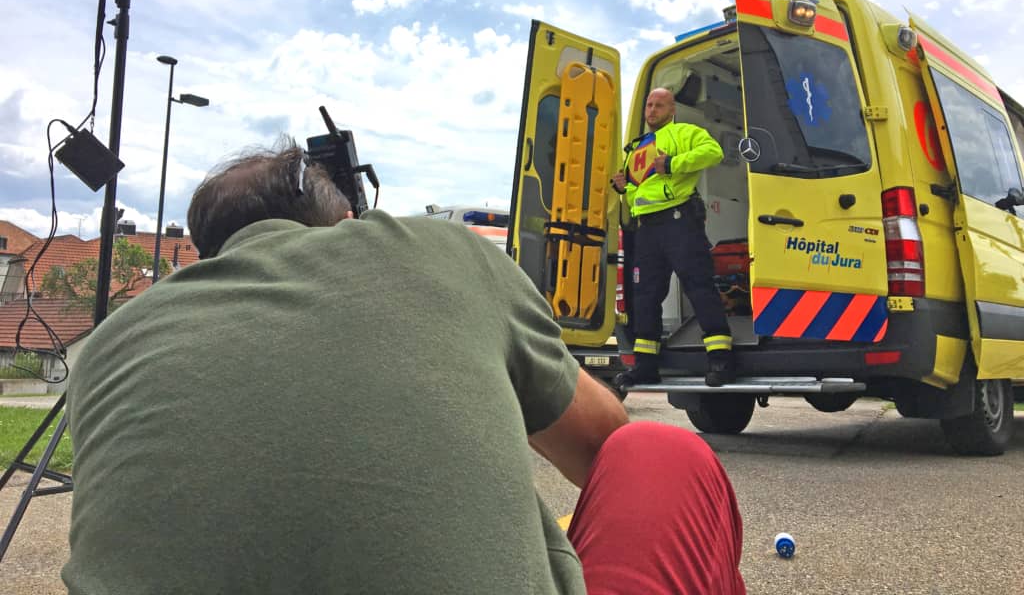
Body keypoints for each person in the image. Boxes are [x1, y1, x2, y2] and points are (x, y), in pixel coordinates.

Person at [62, 138, 745, 594]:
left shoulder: (104, 350)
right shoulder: (440, 251)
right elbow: (603, 440)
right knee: (658, 451)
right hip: (665, 239)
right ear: (343, 217)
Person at [612, 87, 736, 388]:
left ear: (672, 111)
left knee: (699, 287)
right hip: (647, 230)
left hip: (680, 222)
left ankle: (720, 360)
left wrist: (672, 164)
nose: (652, 110)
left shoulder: (684, 132)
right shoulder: (636, 147)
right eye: (649, 105)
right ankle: (645, 366)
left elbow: (713, 152)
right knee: (645, 297)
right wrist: (623, 188)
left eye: (659, 105)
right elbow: (639, 190)